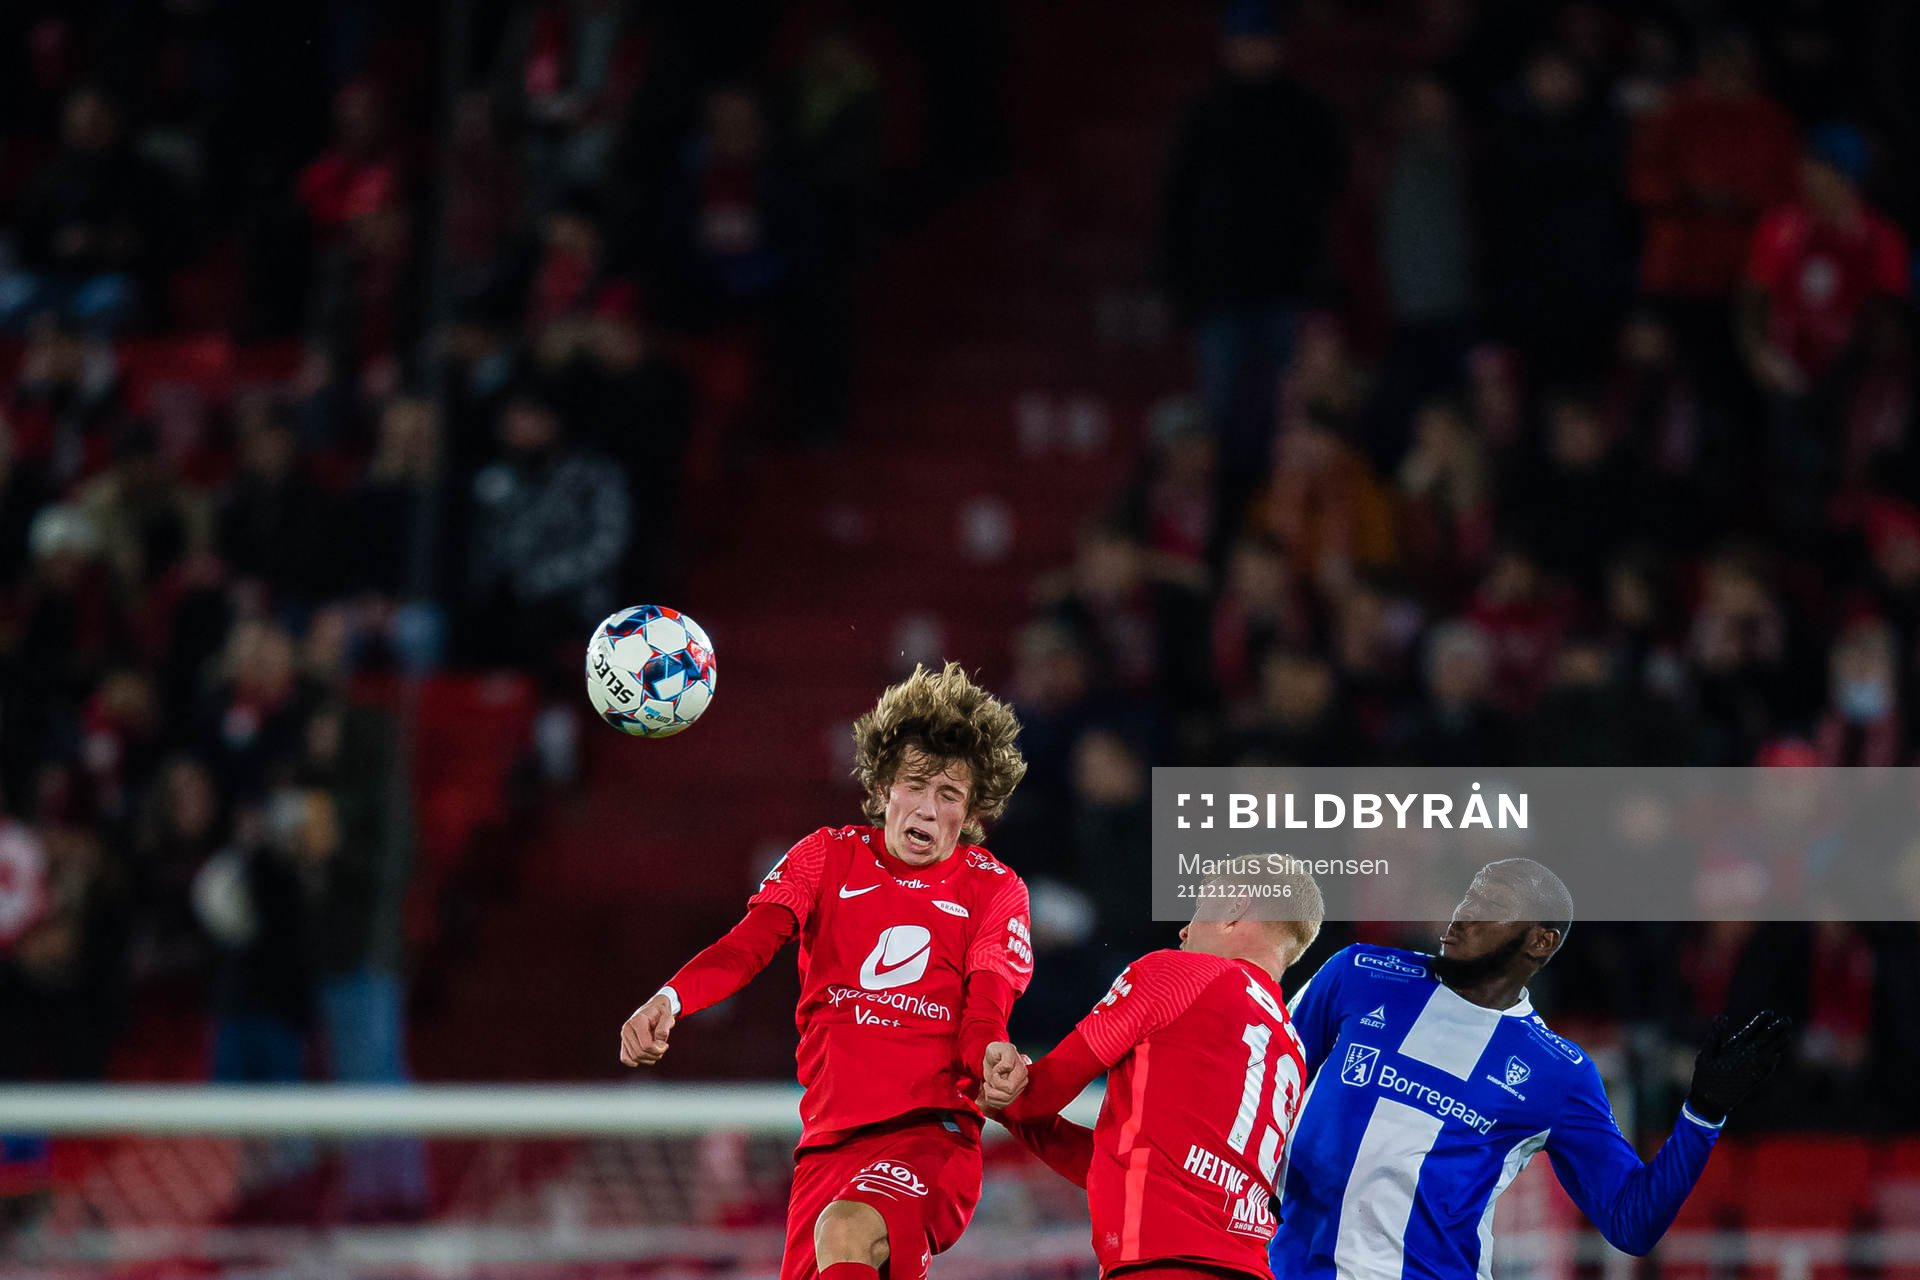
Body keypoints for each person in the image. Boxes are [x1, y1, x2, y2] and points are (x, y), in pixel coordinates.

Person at [619, 663, 1034, 1280]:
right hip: (826, 1147)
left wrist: (992, 1056)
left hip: (930, 1135)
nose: (927, 807)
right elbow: (747, 946)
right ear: (885, 786)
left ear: (972, 810)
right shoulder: (826, 857)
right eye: (915, 784)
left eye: (949, 794)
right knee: (837, 1231)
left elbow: (984, 1013)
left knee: (846, 1228)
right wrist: (670, 1000)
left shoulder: (994, 888)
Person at [1268, 859, 1792, 1280]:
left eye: (1490, 904)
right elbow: (1265, 1081)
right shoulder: (1358, 971)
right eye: (1468, 894)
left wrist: (1703, 1113)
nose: (1464, 912)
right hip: (1282, 1268)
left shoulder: (1556, 1072)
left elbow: (1632, 1223)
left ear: (1540, 942)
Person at [990, 864, 1324, 1280]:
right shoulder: (1291, 1048)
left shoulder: (1179, 974)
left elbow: (1034, 1098)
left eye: (1200, 910)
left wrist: (995, 1077)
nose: (1184, 931)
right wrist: (1020, 1115)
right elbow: (1131, 1166)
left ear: (1235, 909)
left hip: (1162, 1265)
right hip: (1248, 1266)